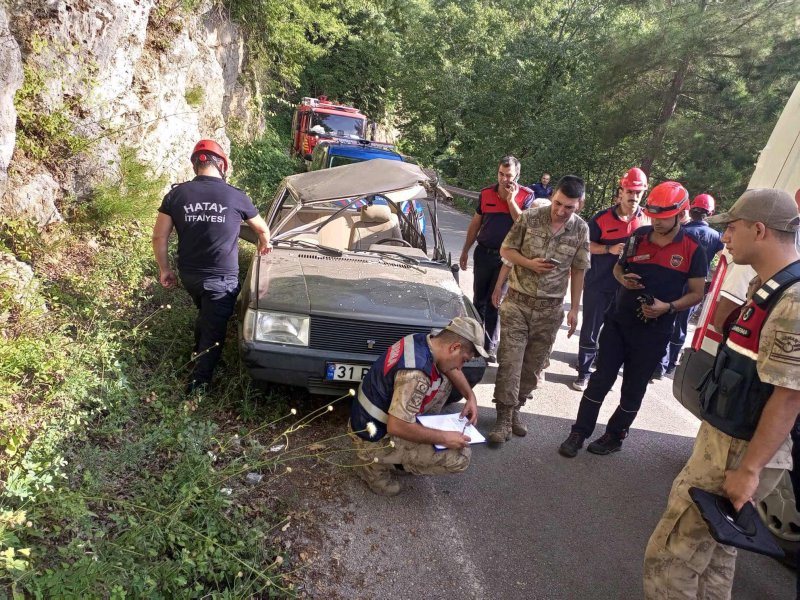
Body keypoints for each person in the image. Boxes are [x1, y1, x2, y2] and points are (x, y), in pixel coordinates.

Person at [643, 188, 800, 599]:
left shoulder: (792, 301)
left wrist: (748, 470)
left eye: (732, 228)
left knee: (672, 554)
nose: (724, 237)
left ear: (759, 229)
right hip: (730, 439)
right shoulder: (768, 286)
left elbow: (789, 397)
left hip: (738, 449)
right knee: (715, 552)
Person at [559, 181, 707, 457]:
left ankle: (615, 436)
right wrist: (623, 279)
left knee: (633, 388)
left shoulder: (692, 249)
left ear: (680, 213)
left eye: (663, 218)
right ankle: (578, 431)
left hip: (654, 332)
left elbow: (698, 293)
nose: (657, 223)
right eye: (654, 216)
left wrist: (669, 306)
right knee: (600, 379)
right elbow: (618, 268)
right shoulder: (638, 236)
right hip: (618, 322)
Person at [152, 139, 272, 393]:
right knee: (214, 332)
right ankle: (198, 386)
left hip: (190, 275)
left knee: (206, 314)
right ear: (222, 165)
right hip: (222, 279)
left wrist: (165, 269)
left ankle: (197, 348)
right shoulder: (237, 196)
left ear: (196, 165)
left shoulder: (176, 194)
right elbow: (262, 229)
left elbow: (159, 236)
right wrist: (264, 244)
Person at [488, 175, 591, 444]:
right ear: (553, 195)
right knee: (511, 360)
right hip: (518, 303)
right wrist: (529, 264)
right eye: (558, 203)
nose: (560, 211)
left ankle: (516, 409)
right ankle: (502, 418)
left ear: (579, 204)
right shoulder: (529, 218)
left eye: (568, 207)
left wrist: (575, 309)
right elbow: (506, 250)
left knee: (533, 366)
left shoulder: (581, 230)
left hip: (550, 309)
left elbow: (579, 270)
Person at [348, 317, 487, 496]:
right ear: (454, 347)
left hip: (369, 418)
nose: (461, 366)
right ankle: (372, 465)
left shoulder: (422, 341)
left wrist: (470, 396)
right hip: (372, 436)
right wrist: (444, 438)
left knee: (443, 380)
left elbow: (450, 368)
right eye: (464, 360)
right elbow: (397, 426)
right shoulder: (415, 375)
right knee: (460, 457)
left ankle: (400, 457)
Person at [572, 167, 649, 391]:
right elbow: (585, 245)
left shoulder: (646, 220)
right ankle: (583, 373)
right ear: (621, 191)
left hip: (627, 289)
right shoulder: (602, 218)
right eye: (629, 191)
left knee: (615, 333)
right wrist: (609, 248)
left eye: (638, 192)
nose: (633, 197)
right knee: (591, 330)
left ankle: (603, 374)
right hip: (599, 284)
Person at [459, 156, 534, 361]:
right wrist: (466, 250)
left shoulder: (527, 196)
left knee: (496, 301)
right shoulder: (485, 194)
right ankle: (474, 342)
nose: (504, 179)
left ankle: (489, 346)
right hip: (484, 253)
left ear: (517, 175)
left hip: (507, 260)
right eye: (501, 174)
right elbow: (475, 224)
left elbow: (523, 224)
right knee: (478, 300)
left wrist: (510, 200)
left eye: (508, 175)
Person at [654, 193, 724, 379]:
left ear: (691, 210)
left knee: (666, 321)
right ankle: (670, 365)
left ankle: (658, 364)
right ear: (710, 212)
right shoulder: (716, 237)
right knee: (681, 326)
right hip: (695, 288)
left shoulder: (682, 232)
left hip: (675, 284)